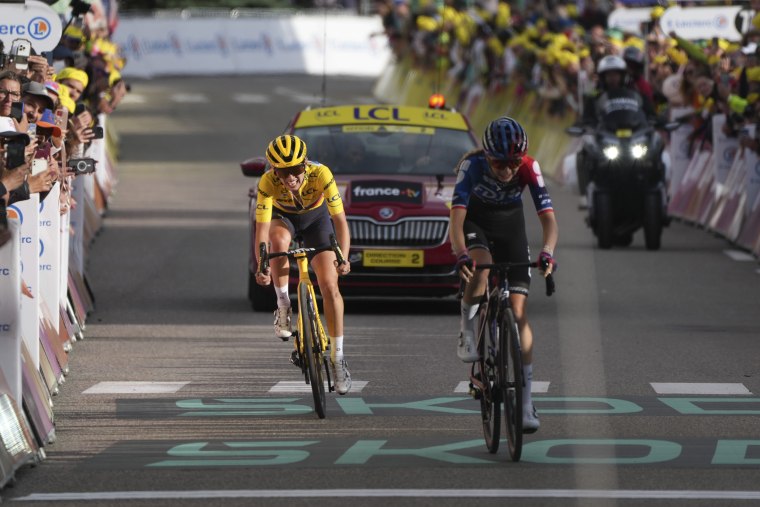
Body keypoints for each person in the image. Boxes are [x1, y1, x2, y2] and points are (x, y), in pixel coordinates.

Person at [449, 117, 558, 432]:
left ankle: (525, 404)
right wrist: (461, 255)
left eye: (514, 163)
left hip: (511, 226)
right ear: (487, 156)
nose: (509, 171)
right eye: (500, 164)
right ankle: (467, 328)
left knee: (519, 313)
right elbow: (456, 221)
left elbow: (549, 220)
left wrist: (547, 251)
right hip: (475, 223)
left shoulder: (529, 167)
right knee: (481, 270)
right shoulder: (471, 167)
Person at [254, 134, 353, 395]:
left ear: (305, 165)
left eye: (296, 170)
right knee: (277, 242)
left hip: (316, 220)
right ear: (274, 170)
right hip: (283, 218)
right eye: (283, 171)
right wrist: (261, 266)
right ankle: (284, 304)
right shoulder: (267, 182)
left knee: (330, 286)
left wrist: (343, 257)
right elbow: (261, 231)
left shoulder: (321, 174)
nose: (290, 178)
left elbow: (340, 222)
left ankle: (338, 358)